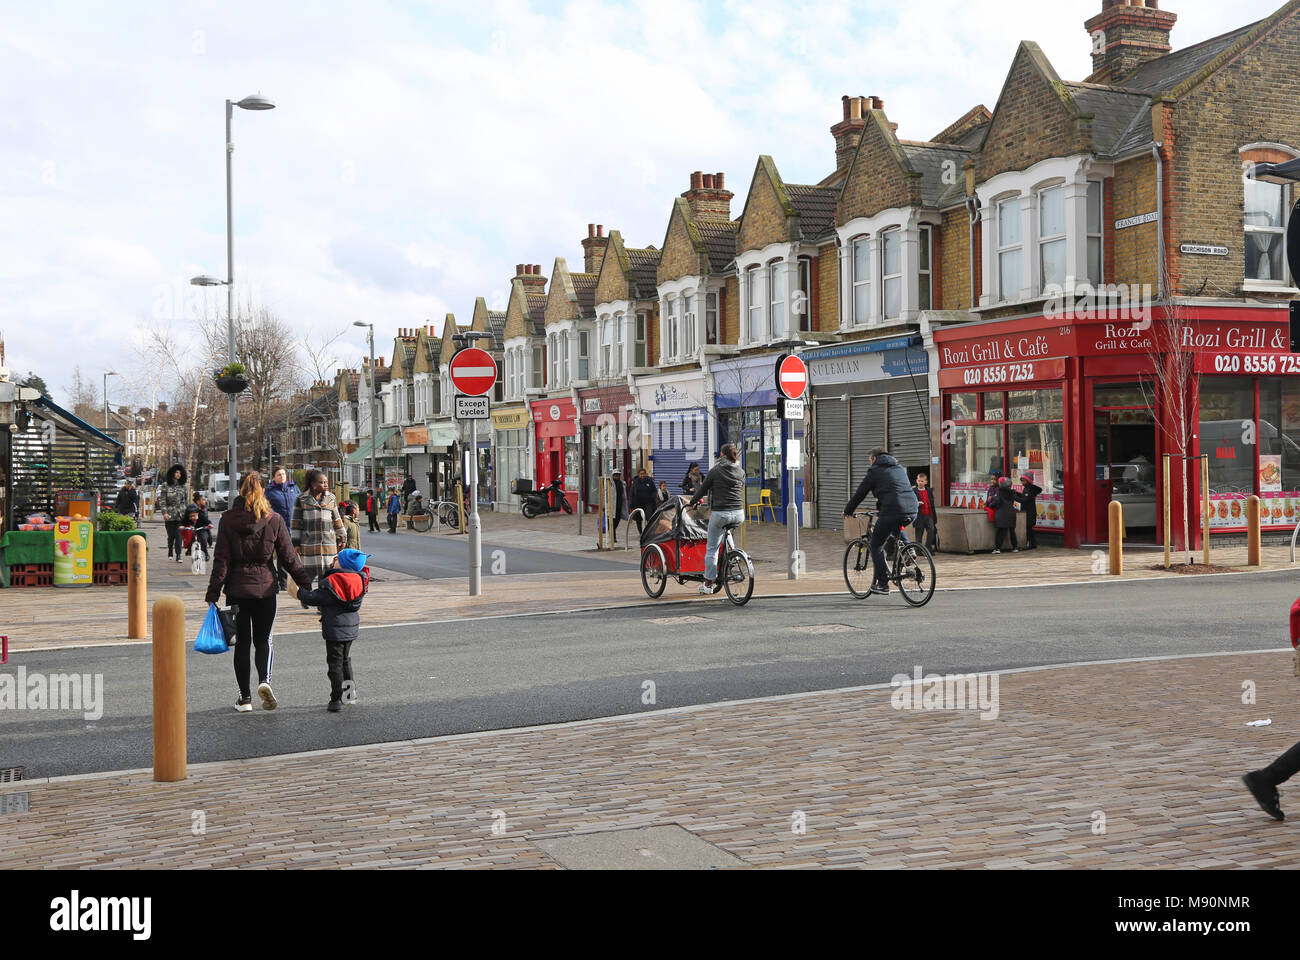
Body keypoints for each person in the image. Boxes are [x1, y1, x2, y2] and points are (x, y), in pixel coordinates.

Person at [205, 471, 313, 713]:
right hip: (265, 589)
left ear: (242, 492)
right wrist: (306, 585)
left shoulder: (227, 519)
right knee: (264, 640)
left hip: (236, 590)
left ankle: (245, 699)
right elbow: (289, 558)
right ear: (264, 491)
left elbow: (221, 560)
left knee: (242, 643)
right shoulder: (274, 520)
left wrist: (213, 593)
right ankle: (265, 680)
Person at [298, 548, 370, 712]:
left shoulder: (333, 582)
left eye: (337, 558)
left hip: (334, 630)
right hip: (351, 629)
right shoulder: (358, 580)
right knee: (345, 660)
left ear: (342, 563)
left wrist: (299, 592)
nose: (334, 559)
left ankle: (336, 698)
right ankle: (350, 694)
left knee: (334, 664)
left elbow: (313, 598)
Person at [842, 447, 919, 597]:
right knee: (896, 526)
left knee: (876, 545)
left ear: (874, 459)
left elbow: (861, 492)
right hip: (912, 509)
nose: (870, 463)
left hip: (892, 510)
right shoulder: (899, 468)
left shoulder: (875, 471)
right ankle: (909, 549)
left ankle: (883, 584)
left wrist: (848, 510)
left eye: (870, 460)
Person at [687, 444, 746, 595]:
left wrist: (693, 502)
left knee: (712, 549)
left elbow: (702, 489)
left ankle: (708, 584)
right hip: (739, 513)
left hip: (721, 513)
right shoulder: (740, 471)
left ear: (722, 454)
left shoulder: (715, 471)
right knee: (727, 531)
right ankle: (733, 556)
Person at [292, 469, 347, 583]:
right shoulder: (301, 499)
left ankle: (325, 601)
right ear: (313, 484)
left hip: (328, 546)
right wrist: (295, 544)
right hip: (308, 546)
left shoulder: (331, 498)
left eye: (326, 482)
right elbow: (296, 523)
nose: (325, 485)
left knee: (328, 581)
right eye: (322, 482)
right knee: (306, 581)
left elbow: (337, 520)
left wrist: (342, 537)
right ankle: (306, 601)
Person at [266, 468, 301, 589]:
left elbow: (301, 503)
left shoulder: (294, 488)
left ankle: (298, 579)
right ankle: (283, 582)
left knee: (295, 554)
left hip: (295, 526)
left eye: (283, 474)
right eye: (278, 474)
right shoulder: (270, 491)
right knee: (282, 555)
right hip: (278, 528)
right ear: (274, 477)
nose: (282, 476)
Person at [159, 464, 190, 563]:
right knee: (171, 535)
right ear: (172, 473)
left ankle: (179, 555)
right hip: (170, 515)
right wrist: (164, 513)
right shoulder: (165, 486)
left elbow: (186, 501)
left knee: (178, 535)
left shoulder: (184, 487)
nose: (178, 474)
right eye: (177, 472)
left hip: (180, 515)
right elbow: (162, 500)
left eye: (180, 473)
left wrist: (187, 514)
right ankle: (170, 550)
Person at [990, 477, 1020, 554]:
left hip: (1002, 514)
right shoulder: (1012, 492)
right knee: (1012, 531)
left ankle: (997, 548)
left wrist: (990, 505)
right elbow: (1018, 498)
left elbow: (997, 501)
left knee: (1001, 531)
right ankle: (1015, 547)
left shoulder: (999, 492)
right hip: (1011, 513)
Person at [911, 473, 937, 552]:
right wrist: (916, 503)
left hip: (929, 515)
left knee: (931, 530)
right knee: (919, 534)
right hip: (919, 516)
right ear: (916, 481)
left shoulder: (929, 491)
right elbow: (910, 501)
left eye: (922, 481)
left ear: (926, 482)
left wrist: (934, 516)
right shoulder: (913, 491)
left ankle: (927, 548)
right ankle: (918, 550)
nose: (920, 482)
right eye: (919, 481)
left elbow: (931, 504)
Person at [629, 468, 657, 535]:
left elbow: (654, 491)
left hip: (648, 503)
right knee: (638, 519)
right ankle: (640, 532)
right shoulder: (635, 482)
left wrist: (651, 497)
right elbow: (632, 493)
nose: (642, 475)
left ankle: (648, 532)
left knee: (649, 517)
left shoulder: (649, 481)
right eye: (641, 474)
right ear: (638, 474)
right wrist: (631, 504)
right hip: (638, 503)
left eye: (643, 474)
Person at [187, 494, 214, 561]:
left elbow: (205, 519)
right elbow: (186, 518)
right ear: (198, 501)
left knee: (203, 539)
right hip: (194, 528)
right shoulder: (192, 508)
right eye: (203, 500)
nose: (205, 501)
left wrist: (209, 524)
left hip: (202, 528)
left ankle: (206, 554)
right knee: (191, 537)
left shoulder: (204, 508)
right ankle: (189, 550)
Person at [1019, 471, 1042, 550]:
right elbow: (1024, 497)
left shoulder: (1029, 489)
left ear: (1028, 480)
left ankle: (1029, 544)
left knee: (1028, 529)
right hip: (1029, 512)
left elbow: (1024, 500)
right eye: (1021, 480)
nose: (1022, 482)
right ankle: (1033, 543)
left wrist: (1014, 497)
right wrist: (1017, 494)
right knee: (1029, 528)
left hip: (1029, 512)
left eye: (1024, 480)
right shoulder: (1028, 488)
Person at [609, 469, 627, 544]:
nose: (617, 476)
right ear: (612, 475)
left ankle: (612, 532)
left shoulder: (622, 483)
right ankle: (613, 537)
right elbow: (605, 494)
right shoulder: (609, 483)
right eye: (615, 474)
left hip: (619, 505)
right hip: (611, 506)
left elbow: (623, 494)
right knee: (612, 522)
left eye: (618, 474)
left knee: (617, 521)